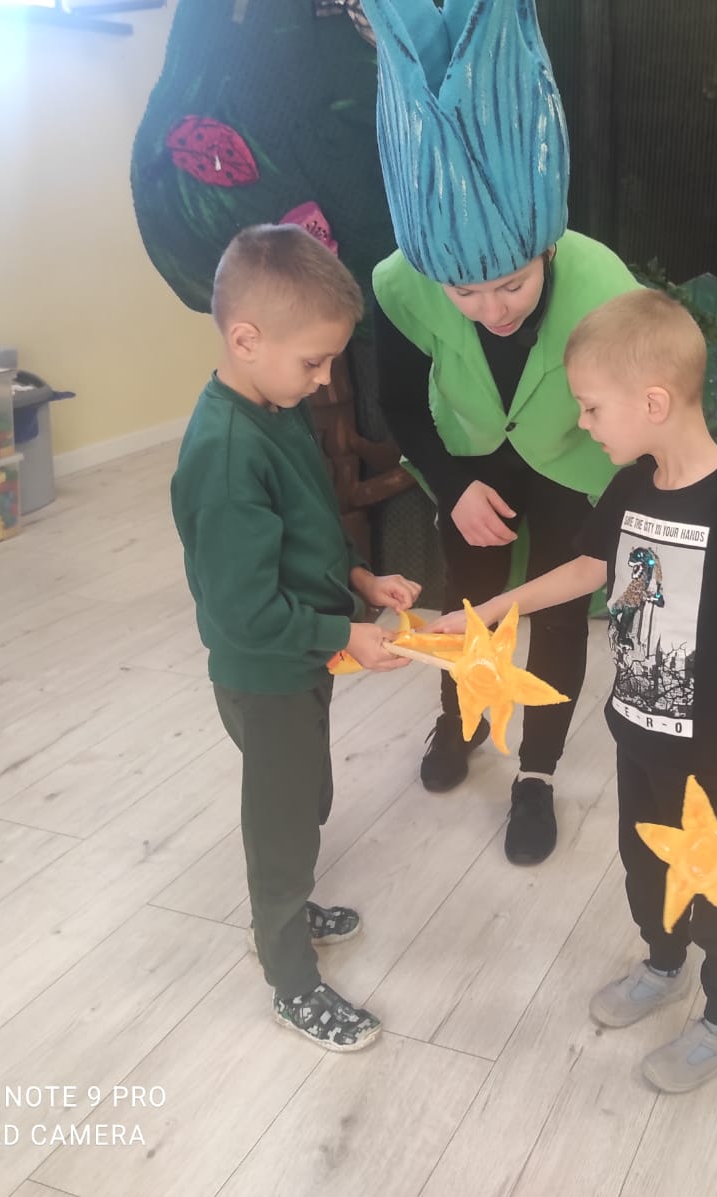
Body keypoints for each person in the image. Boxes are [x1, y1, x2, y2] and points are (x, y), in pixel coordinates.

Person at [432, 290, 717, 1091]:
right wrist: (493, 608)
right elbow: (587, 569)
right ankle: (663, 962)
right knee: (644, 865)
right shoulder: (632, 487)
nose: (584, 424)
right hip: (637, 731)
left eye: (591, 407)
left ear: (653, 402)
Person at [360, 0, 639, 867]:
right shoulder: (402, 282)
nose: (491, 310)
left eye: (512, 285)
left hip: (573, 462)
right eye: (466, 294)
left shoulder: (603, 285)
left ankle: (538, 772)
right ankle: (461, 720)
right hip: (469, 457)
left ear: (545, 248)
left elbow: (636, 418)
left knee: (554, 614)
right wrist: (451, 487)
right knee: (469, 598)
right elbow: (399, 400)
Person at [170, 223, 419, 1052]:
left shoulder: (276, 407)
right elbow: (245, 612)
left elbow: (311, 523)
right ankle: (289, 976)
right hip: (266, 666)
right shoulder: (225, 454)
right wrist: (346, 634)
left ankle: (288, 906)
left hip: (303, 652)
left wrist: (362, 580)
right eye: (313, 363)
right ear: (246, 340)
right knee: (281, 824)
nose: (323, 381)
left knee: (308, 795)